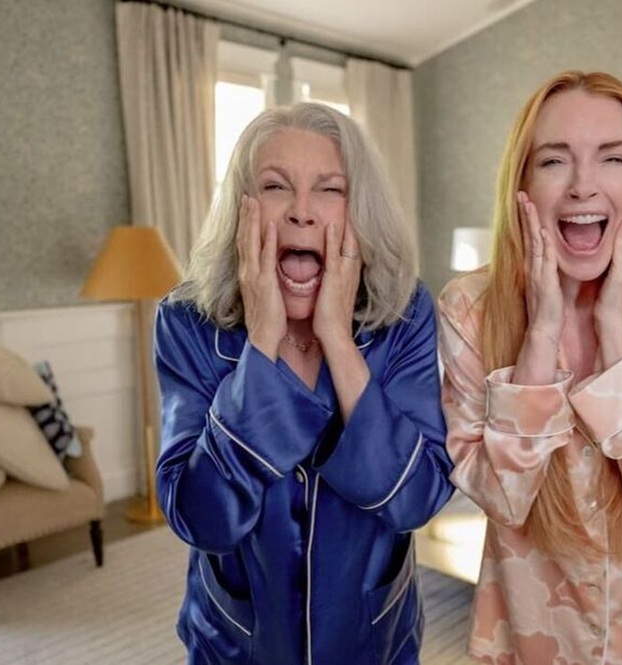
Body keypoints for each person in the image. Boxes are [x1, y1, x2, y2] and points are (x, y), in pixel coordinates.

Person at [437, 71, 622, 664]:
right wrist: (540, 335)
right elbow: (503, 499)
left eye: (612, 158)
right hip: (528, 632)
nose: (582, 186)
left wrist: (615, 332)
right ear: (522, 184)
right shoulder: (467, 308)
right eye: (554, 161)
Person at [154, 102, 454, 664]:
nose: (301, 212)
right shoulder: (185, 321)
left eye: (330, 189)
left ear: (359, 210)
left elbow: (415, 499)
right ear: (242, 208)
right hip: (237, 643)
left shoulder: (407, 311)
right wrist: (263, 342)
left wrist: (337, 340)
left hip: (373, 640)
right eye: (275, 186)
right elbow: (201, 519)